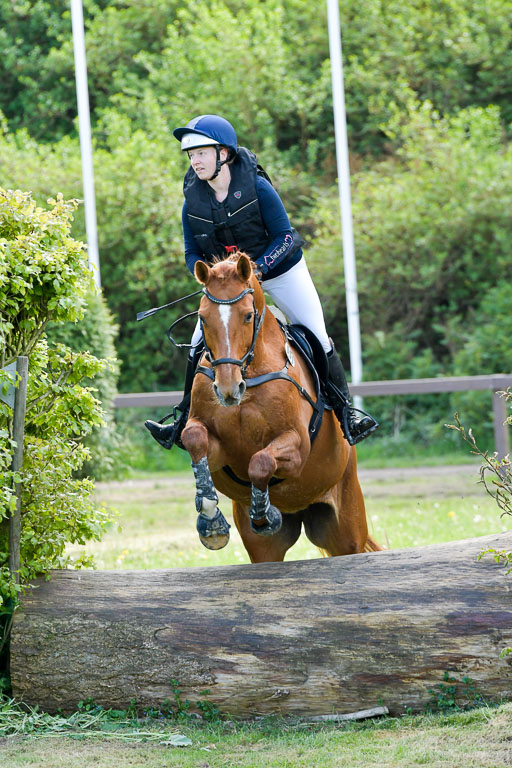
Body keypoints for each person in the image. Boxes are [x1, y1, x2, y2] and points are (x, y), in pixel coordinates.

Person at [145, 114, 378, 448]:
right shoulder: (192, 200)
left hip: (281, 271)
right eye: (191, 155)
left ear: (223, 153)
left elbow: (285, 236)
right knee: (198, 344)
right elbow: (190, 252)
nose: (194, 161)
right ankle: (182, 417)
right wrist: (208, 275)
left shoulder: (257, 187)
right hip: (228, 287)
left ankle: (346, 414)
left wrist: (259, 268)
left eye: (201, 153)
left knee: (316, 333)